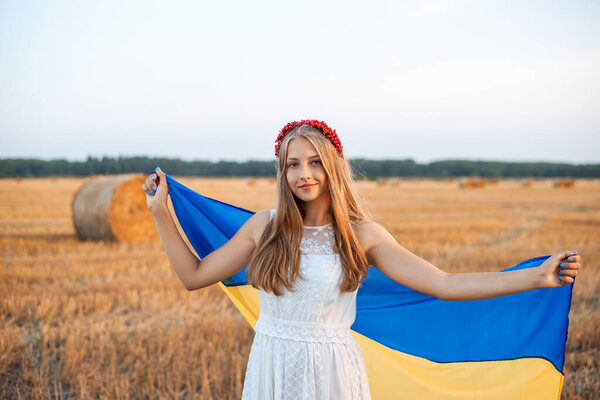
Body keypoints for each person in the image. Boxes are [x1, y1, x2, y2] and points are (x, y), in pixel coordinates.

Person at [142, 119, 582, 400]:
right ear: (283, 172)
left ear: (333, 167)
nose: (304, 174)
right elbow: (193, 276)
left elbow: (443, 284)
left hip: (332, 372)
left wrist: (534, 277)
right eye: (292, 164)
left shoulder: (362, 235)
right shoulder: (265, 226)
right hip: (271, 363)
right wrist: (162, 215)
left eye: (314, 162)